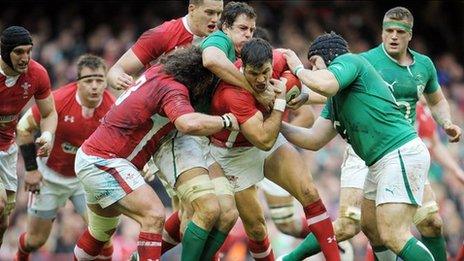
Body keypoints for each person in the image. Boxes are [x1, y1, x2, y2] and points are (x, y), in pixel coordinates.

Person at [280, 7, 462, 261]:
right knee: (371, 227)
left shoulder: (350, 61)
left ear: (330, 59)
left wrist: (298, 69)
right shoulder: (339, 97)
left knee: (398, 233)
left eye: (315, 63)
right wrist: (279, 125)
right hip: (378, 159)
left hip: (398, 151)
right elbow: (313, 140)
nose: (312, 69)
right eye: (389, 30)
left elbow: (326, 82)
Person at [72, 46, 238, 261]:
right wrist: (226, 121)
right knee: (154, 214)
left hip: (95, 158)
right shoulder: (174, 89)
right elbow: (187, 123)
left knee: (99, 235)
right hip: (104, 161)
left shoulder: (159, 71)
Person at [210, 38, 340, 261]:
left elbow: (307, 113)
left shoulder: (282, 60)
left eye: (265, 72)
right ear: (242, 66)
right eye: (253, 74)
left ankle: (334, 256)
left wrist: (300, 91)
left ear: (272, 62)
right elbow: (264, 140)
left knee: (309, 192)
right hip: (234, 154)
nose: (261, 80)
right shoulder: (233, 91)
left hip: (270, 141)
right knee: (257, 229)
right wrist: (280, 102)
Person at [14, 54, 115, 261]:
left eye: (100, 80)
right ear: (77, 82)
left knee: (103, 236)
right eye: (88, 81)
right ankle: (20, 257)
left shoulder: (114, 108)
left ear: (106, 81)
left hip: (85, 179)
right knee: (36, 241)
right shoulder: (58, 100)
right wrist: (31, 169)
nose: (95, 87)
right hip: (49, 177)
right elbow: (23, 128)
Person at [0, 25, 57, 247]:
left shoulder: (37, 74)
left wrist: (48, 134)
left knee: (3, 222)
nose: (26, 58)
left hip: (7, 148)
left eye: (28, 51)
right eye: (19, 52)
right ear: (5, 52)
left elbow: (49, 112)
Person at [107, 0, 224, 91]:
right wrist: (119, 79)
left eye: (219, 13)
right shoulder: (163, 34)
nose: (215, 19)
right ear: (192, 9)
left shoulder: (221, 35)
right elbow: (116, 70)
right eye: (209, 12)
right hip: (159, 109)